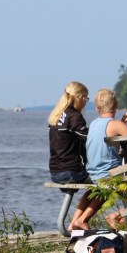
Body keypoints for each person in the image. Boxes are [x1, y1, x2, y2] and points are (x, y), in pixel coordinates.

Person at [72, 88, 127, 230]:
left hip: (93, 172)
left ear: (97, 108)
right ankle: (85, 219)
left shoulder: (93, 124)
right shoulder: (116, 125)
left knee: (97, 190)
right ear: (115, 105)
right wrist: (123, 123)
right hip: (108, 175)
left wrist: (121, 122)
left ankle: (75, 221)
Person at [48, 81, 93, 227]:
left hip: (55, 171)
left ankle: (74, 222)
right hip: (70, 172)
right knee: (104, 184)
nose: (85, 102)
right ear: (79, 97)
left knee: (98, 185)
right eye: (86, 98)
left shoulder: (56, 115)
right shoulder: (74, 117)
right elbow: (90, 140)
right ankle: (79, 221)